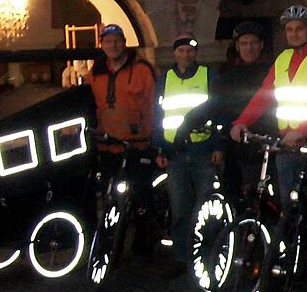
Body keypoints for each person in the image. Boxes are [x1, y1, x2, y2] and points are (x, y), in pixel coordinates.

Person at [229, 5, 307, 200]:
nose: (294, 34)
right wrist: (242, 121)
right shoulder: (282, 59)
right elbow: (264, 94)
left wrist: (302, 130)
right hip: (287, 143)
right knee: (288, 206)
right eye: (289, 29)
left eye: (299, 29)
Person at [153, 36, 220, 270]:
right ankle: (181, 257)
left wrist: (218, 146)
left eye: (190, 51)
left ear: (195, 53)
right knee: (180, 208)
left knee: (206, 206)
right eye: (181, 50)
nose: (185, 55)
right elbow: (158, 115)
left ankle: (208, 253)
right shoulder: (165, 79)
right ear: (175, 53)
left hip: (203, 150)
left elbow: (218, 110)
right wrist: (159, 146)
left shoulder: (208, 75)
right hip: (175, 153)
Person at [89, 23, 158, 246]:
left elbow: (155, 104)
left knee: (141, 198)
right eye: (108, 41)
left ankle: (142, 245)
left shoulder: (142, 69)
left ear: (124, 43)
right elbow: (87, 104)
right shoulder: (96, 72)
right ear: (102, 45)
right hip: (108, 146)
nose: (113, 45)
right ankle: (111, 245)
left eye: (117, 41)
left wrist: (156, 140)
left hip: (138, 145)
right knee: (110, 199)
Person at [217, 21, 274, 197]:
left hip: (265, 144)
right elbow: (219, 106)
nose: (249, 48)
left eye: (253, 43)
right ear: (237, 46)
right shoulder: (227, 76)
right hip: (235, 146)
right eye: (244, 43)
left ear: (261, 45)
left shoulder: (273, 72)